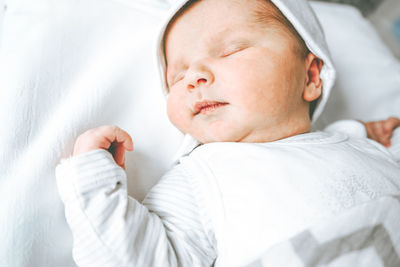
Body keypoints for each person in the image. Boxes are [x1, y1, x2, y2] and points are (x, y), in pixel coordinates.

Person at [56, 0, 400, 266]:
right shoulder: (203, 178)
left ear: (310, 77)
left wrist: (370, 134)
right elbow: (136, 258)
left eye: (230, 51)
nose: (194, 77)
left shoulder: (359, 146)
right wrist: (94, 184)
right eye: (177, 77)